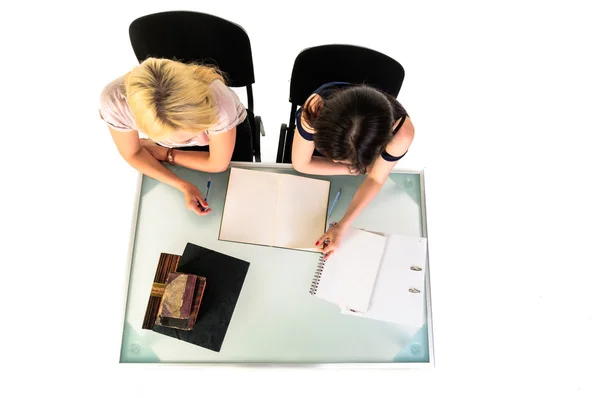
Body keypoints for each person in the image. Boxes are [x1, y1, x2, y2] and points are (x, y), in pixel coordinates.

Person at [99, 57, 248, 216]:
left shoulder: (219, 101)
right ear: (149, 128)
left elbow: (218, 163)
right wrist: (183, 185)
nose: (205, 140)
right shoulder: (114, 103)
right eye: (187, 139)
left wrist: (165, 153)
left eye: (204, 127)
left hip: (231, 131)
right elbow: (132, 153)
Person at [291, 82, 415, 259]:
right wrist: (357, 169)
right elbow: (301, 164)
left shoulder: (402, 133)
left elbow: (376, 179)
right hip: (336, 125)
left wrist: (342, 225)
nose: (334, 162)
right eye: (335, 159)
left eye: (342, 160)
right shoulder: (315, 108)